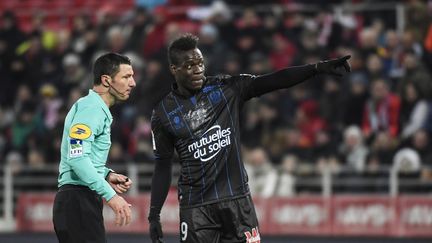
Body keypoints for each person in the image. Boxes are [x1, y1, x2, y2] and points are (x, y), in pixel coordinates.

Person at [148, 33, 350, 243]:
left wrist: (316, 69)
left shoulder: (225, 88)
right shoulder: (163, 114)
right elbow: (162, 165)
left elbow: (273, 81)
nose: (198, 69)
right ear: (174, 69)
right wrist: (154, 214)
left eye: (200, 63)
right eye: (190, 65)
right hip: (196, 207)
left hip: (237, 201)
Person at [53, 53, 136, 243]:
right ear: (106, 80)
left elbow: (80, 155)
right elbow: (77, 158)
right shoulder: (92, 109)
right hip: (78, 200)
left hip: (76, 201)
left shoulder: (91, 107)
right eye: (126, 76)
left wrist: (105, 174)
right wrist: (111, 195)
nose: (133, 83)